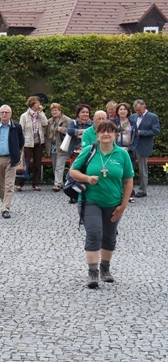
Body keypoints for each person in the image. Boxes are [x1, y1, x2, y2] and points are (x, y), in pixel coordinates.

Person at [69, 120, 133, 288]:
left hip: (113, 202)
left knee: (109, 236)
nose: (106, 134)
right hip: (90, 200)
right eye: (102, 131)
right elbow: (73, 171)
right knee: (94, 233)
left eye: (110, 131)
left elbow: (128, 181)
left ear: (115, 135)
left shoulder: (122, 154)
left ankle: (105, 268)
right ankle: (93, 272)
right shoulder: (89, 151)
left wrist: (123, 206)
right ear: (97, 135)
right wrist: (87, 178)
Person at [0, 105, 24, 219]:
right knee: (0, 185)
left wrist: (15, 152)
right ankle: (4, 202)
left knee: (9, 185)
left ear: (10, 114)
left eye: (6, 112)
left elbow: (21, 141)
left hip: (11, 159)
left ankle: (5, 208)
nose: (4, 114)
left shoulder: (16, 127)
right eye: (2, 112)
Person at [130, 99, 161, 198]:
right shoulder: (133, 116)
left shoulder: (153, 117)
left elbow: (156, 131)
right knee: (129, 168)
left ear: (144, 107)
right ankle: (129, 189)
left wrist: (141, 132)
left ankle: (142, 190)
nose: (137, 112)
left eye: (139, 110)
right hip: (132, 145)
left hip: (143, 146)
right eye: (136, 110)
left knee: (143, 170)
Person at [17, 96, 48, 191]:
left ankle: (35, 184)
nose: (39, 104)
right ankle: (20, 183)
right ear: (33, 104)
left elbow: (45, 123)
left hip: (39, 142)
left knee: (37, 164)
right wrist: (21, 143)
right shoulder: (24, 116)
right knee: (25, 163)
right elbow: (20, 130)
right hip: (27, 143)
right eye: (38, 103)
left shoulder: (40, 114)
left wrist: (41, 113)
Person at [112, 102, 139, 203]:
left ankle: (130, 194)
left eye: (124, 109)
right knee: (118, 172)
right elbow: (111, 135)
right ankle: (118, 194)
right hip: (117, 150)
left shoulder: (132, 123)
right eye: (120, 109)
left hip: (129, 151)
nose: (122, 111)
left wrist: (130, 148)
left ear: (128, 111)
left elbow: (136, 137)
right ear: (117, 111)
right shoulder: (113, 122)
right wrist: (119, 148)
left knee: (129, 172)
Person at [46, 103, 72, 191]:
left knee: (59, 165)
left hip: (62, 146)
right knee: (55, 165)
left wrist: (62, 130)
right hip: (52, 146)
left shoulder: (67, 120)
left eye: (56, 110)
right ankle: (59, 183)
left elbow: (71, 131)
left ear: (60, 110)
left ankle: (57, 184)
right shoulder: (49, 121)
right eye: (52, 110)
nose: (54, 112)